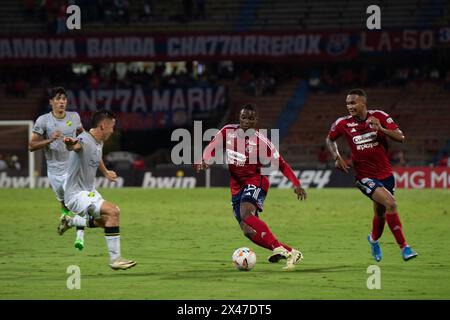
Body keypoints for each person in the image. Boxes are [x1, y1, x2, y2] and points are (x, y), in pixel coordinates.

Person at [195, 103, 307, 270]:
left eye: (250, 118)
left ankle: (279, 248)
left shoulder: (261, 141)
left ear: (256, 120)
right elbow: (212, 147)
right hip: (236, 186)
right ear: (239, 117)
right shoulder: (227, 131)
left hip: (257, 180)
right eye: (243, 117)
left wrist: (296, 183)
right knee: (247, 231)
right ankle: (291, 252)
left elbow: (282, 164)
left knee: (246, 213)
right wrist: (205, 159)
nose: (246, 121)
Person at [325, 88, 418, 262]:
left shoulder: (380, 116)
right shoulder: (342, 123)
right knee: (391, 204)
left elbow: (401, 137)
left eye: (353, 102)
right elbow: (329, 139)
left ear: (363, 103)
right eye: (347, 103)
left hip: (386, 174)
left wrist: (381, 129)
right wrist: (336, 156)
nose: (349, 106)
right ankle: (405, 247)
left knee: (381, 213)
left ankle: (373, 240)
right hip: (364, 176)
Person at [29, 87, 116, 251]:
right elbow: (32, 146)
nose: (62, 102)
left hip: (73, 169)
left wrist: (104, 171)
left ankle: (79, 236)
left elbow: (89, 143)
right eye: (58, 99)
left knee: (82, 204)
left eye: (64, 99)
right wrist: (49, 140)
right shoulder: (43, 121)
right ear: (51, 102)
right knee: (68, 207)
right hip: (55, 171)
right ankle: (70, 221)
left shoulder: (74, 117)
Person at [59, 109, 137, 270]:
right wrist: (70, 143)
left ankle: (72, 221)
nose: (113, 130)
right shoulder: (84, 139)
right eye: (112, 126)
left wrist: (105, 172)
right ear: (102, 126)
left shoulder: (98, 142)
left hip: (89, 192)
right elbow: (76, 145)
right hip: (75, 194)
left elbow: (96, 154)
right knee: (113, 211)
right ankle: (115, 260)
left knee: (108, 220)